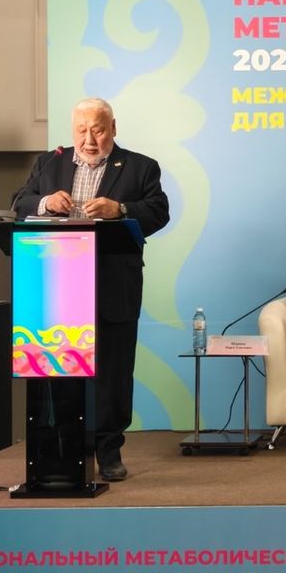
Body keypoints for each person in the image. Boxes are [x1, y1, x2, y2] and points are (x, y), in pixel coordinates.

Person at [12, 97, 170, 481]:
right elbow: (18, 203)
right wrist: (45, 202)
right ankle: (63, 450)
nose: (89, 139)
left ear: (113, 128)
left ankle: (109, 450)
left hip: (113, 284)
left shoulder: (140, 167)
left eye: (97, 130)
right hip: (57, 284)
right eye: (81, 130)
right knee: (60, 370)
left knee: (113, 371)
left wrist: (121, 209)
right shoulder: (50, 163)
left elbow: (159, 211)